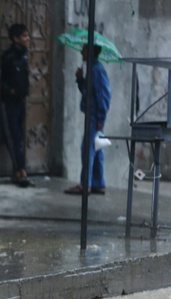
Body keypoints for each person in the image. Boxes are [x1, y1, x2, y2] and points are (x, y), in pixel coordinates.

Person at [65, 44, 111, 195]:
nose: (81, 51)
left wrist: (101, 119)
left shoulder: (97, 70)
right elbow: (88, 92)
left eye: (84, 49)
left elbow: (103, 96)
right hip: (93, 115)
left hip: (94, 116)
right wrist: (80, 80)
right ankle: (98, 183)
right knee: (96, 150)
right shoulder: (91, 69)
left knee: (87, 149)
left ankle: (86, 184)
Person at [1, 23, 33, 187]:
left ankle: (19, 170)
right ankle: (20, 170)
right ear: (15, 39)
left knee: (19, 136)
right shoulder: (9, 57)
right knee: (13, 137)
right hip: (10, 103)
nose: (28, 39)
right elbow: (2, 80)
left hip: (21, 101)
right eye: (24, 36)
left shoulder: (24, 55)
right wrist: (10, 91)